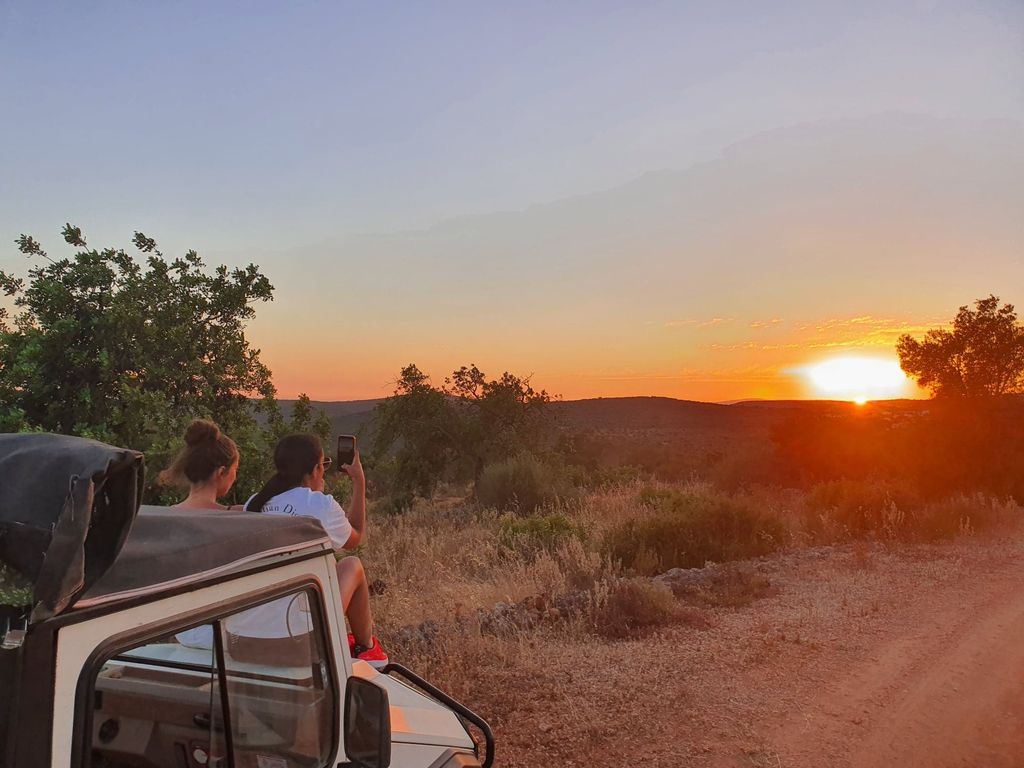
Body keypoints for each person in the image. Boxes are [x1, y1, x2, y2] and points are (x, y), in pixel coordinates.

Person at [242, 433, 387, 668]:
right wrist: (359, 482)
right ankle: (366, 647)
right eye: (323, 465)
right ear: (315, 469)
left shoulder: (254, 503)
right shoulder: (320, 506)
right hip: (297, 640)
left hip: (244, 638)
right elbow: (356, 537)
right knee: (352, 565)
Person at [159, 419, 241, 511]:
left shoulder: (168, 514)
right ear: (221, 472)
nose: (235, 478)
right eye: (235, 470)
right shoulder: (240, 516)